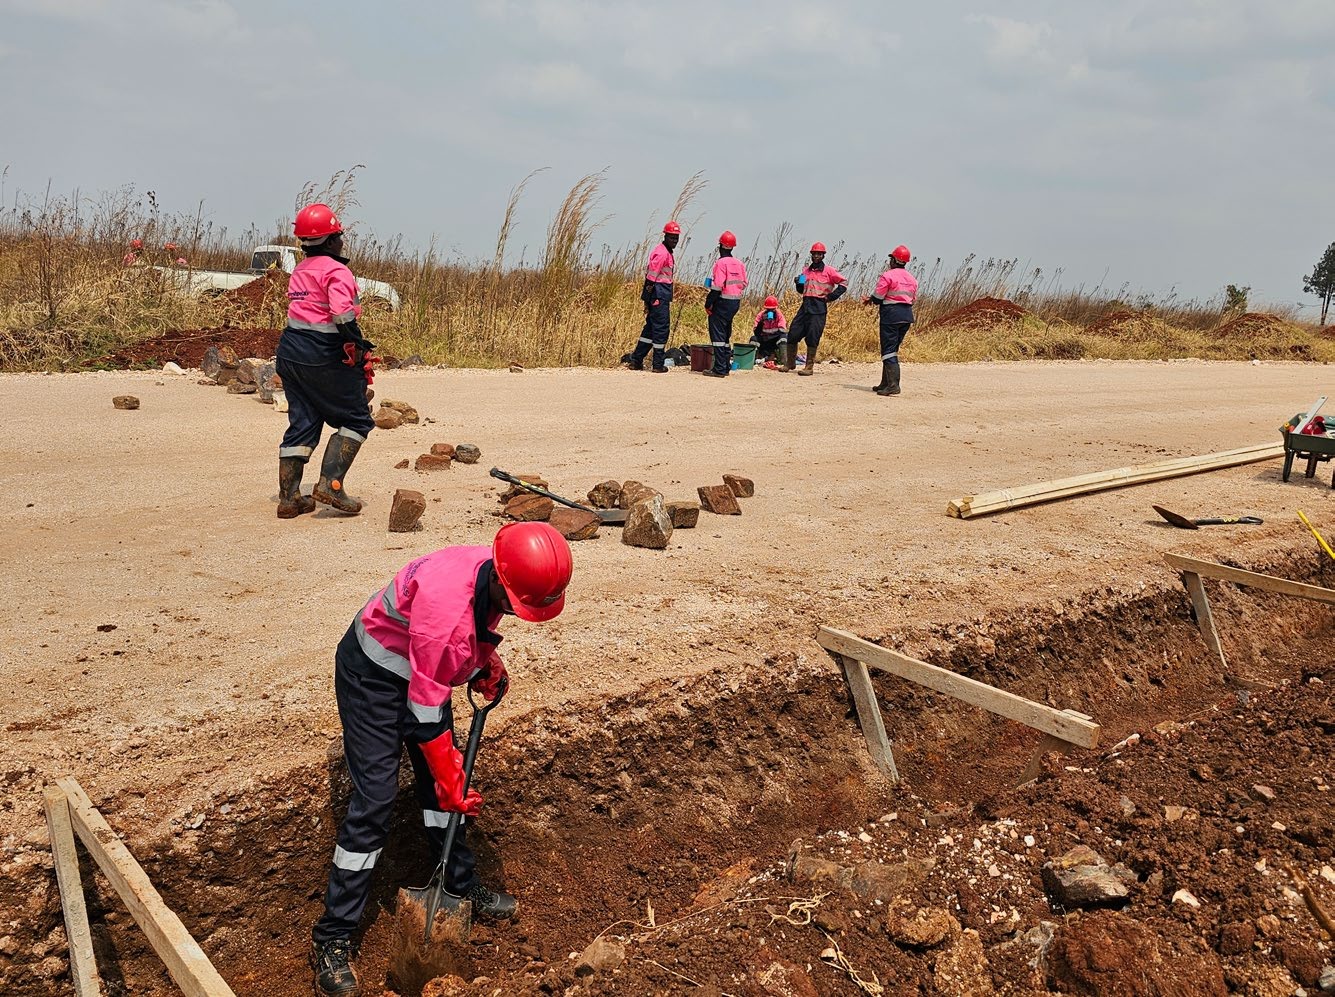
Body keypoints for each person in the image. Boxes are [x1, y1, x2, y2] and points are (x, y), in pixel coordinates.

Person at [310, 522, 574, 997]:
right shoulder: (446, 610)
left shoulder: (495, 567)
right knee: (376, 799)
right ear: (502, 580)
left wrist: (484, 659)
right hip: (373, 676)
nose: (515, 613)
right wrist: (450, 773)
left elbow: (471, 632)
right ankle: (333, 938)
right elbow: (427, 708)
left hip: (422, 665)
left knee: (438, 792)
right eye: (517, 604)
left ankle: (458, 883)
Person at [275, 203, 377, 519]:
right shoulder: (337, 271)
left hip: (290, 353)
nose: (343, 241)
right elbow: (342, 316)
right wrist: (359, 346)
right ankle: (330, 486)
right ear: (331, 239)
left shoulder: (301, 270)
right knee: (357, 419)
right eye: (340, 235)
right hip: (321, 355)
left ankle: (290, 498)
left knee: (304, 421)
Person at [783, 242, 848, 376]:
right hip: (805, 304)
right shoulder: (805, 271)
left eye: (819, 254)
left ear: (823, 256)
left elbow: (844, 283)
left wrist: (831, 297)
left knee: (813, 336)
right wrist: (798, 283)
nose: (816, 256)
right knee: (793, 333)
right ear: (811, 255)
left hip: (819, 306)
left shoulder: (829, 271)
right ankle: (790, 363)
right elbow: (801, 290)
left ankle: (809, 366)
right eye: (814, 254)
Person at [624, 221, 680, 372]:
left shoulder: (665, 252)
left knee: (650, 330)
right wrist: (647, 298)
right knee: (661, 329)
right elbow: (651, 277)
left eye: (676, 238)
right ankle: (657, 364)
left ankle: (636, 360)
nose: (674, 240)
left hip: (660, 294)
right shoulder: (662, 253)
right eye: (672, 237)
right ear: (665, 236)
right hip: (659, 294)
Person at [862, 245, 917, 396]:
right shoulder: (912, 278)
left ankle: (893, 385)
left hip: (891, 315)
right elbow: (913, 298)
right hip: (906, 315)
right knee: (892, 349)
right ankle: (885, 383)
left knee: (888, 350)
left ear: (894, 260)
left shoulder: (888, 276)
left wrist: (870, 300)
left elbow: (879, 297)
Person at [702, 231, 748, 377]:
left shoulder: (720, 263)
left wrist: (709, 303)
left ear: (720, 246)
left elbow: (717, 286)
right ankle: (726, 366)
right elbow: (744, 283)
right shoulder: (740, 264)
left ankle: (719, 369)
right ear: (732, 247)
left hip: (722, 302)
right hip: (735, 303)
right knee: (726, 335)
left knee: (718, 336)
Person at [750, 295, 788, 368]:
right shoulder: (760, 315)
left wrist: (772, 335)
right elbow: (756, 333)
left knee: (783, 338)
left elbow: (783, 331)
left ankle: (783, 361)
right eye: (768, 309)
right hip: (763, 340)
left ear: (775, 308)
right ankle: (752, 360)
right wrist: (761, 322)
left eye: (772, 309)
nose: (770, 311)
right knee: (754, 339)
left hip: (774, 341)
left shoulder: (779, 316)